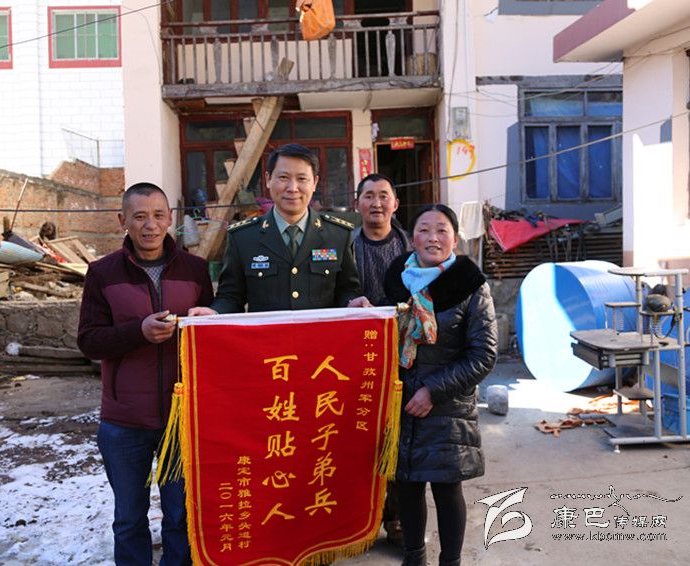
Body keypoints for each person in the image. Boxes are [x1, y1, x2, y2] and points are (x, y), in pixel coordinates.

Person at [78, 182, 213, 566]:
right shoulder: (102, 273)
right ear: (122, 220)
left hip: (181, 417)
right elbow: (88, 341)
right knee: (129, 518)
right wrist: (138, 331)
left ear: (170, 218)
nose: (149, 225)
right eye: (139, 217)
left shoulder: (195, 270)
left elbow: (210, 332)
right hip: (124, 420)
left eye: (157, 215)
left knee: (180, 515)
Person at [382, 204, 498, 566]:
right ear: (411, 237)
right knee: (407, 487)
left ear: (455, 239)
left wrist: (433, 391)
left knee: (447, 489)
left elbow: (483, 354)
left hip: (447, 408)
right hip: (401, 405)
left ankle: (451, 562)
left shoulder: (470, 285)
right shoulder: (396, 281)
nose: (432, 237)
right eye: (424, 229)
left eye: (441, 230)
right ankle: (413, 559)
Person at [189, 143, 368, 315]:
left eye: (302, 179)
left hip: (320, 336)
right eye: (283, 178)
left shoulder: (338, 235)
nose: (292, 188)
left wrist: (352, 302)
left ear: (314, 183)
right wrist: (215, 312)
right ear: (268, 179)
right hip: (266, 336)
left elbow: (347, 290)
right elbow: (230, 296)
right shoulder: (243, 237)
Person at [352, 173, 411, 546]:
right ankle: (359, 519)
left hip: (405, 359)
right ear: (357, 203)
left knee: (400, 440)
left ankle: (398, 517)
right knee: (359, 440)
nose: (376, 203)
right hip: (355, 359)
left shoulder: (412, 248)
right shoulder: (344, 246)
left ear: (395, 204)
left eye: (383, 196)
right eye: (369, 196)